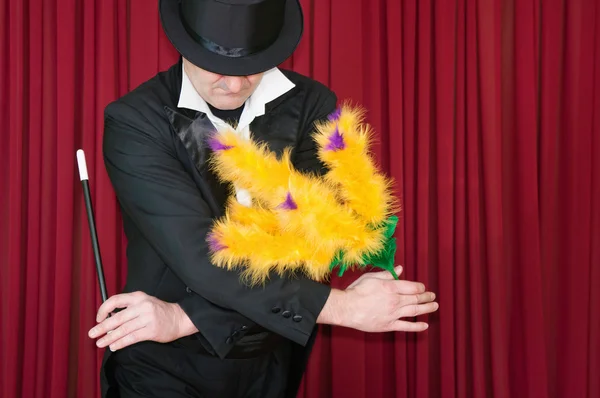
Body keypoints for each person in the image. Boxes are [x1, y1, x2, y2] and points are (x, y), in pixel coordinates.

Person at [88, 0, 439, 397]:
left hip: (271, 357)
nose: (235, 84)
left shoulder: (312, 104)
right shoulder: (136, 120)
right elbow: (203, 255)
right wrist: (346, 309)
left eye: (250, 66)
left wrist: (185, 317)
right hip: (164, 366)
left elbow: (313, 239)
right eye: (216, 65)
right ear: (184, 45)